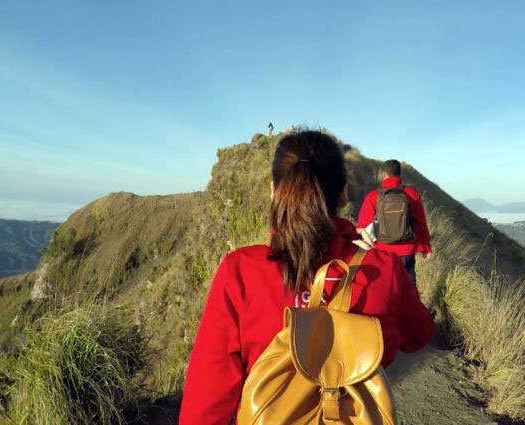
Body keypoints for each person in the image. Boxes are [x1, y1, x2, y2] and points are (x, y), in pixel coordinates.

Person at [179, 130, 434, 425]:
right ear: (343, 194)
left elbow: (205, 405)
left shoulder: (240, 272)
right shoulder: (384, 268)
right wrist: (373, 259)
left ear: (274, 190)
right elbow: (420, 335)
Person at [356, 159, 431, 282]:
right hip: (407, 249)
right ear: (399, 174)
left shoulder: (373, 196)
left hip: (382, 250)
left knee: (387, 287)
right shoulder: (412, 193)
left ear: (384, 175)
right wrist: (426, 246)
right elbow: (421, 222)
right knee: (409, 288)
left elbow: (363, 226)